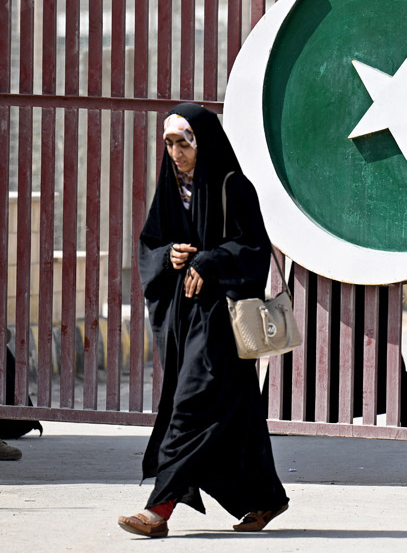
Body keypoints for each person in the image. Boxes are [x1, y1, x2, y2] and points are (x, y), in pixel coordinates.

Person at [117, 103, 290, 538]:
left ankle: (158, 510)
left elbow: (253, 249)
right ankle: (265, 499)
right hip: (188, 322)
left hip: (222, 324)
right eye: (170, 144)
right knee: (238, 417)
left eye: (184, 143)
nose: (176, 153)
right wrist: (170, 255)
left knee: (189, 408)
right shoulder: (172, 188)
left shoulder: (234, 186)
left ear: (204, 141)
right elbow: (151, 244)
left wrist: (209, 262)